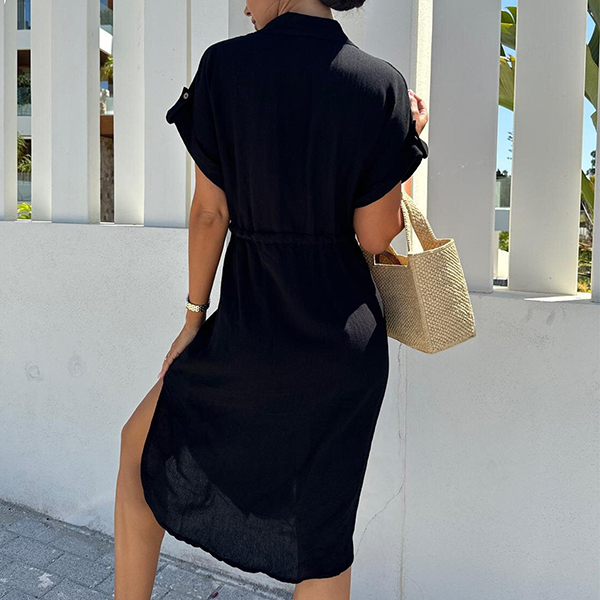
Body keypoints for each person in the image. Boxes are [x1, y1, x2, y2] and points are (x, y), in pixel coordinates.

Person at [113, 1, 429, 598]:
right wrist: (404, 144)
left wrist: (192, 320)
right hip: (342, 347)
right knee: (322, 540)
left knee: (139, 451)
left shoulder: (225, 67)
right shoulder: (383, 86)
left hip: (249, 333)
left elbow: (210, 213)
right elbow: (375, 235)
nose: (244, 5)